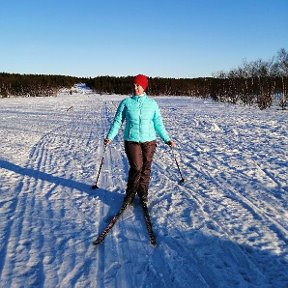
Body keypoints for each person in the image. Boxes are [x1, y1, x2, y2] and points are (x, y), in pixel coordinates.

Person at [104, 74, 174, 204]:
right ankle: (130, 194)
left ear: (144, 87)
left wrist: (167, 139)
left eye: (139, 85)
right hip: (132, 140)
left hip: (149, 141)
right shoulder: (126, 103)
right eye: (134, 85)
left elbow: (158, 123)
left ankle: (143, 193)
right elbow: (118, 121)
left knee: (146, 168)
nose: (136, 88)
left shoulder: (152, 104)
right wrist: (110, 137)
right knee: (136, 168)